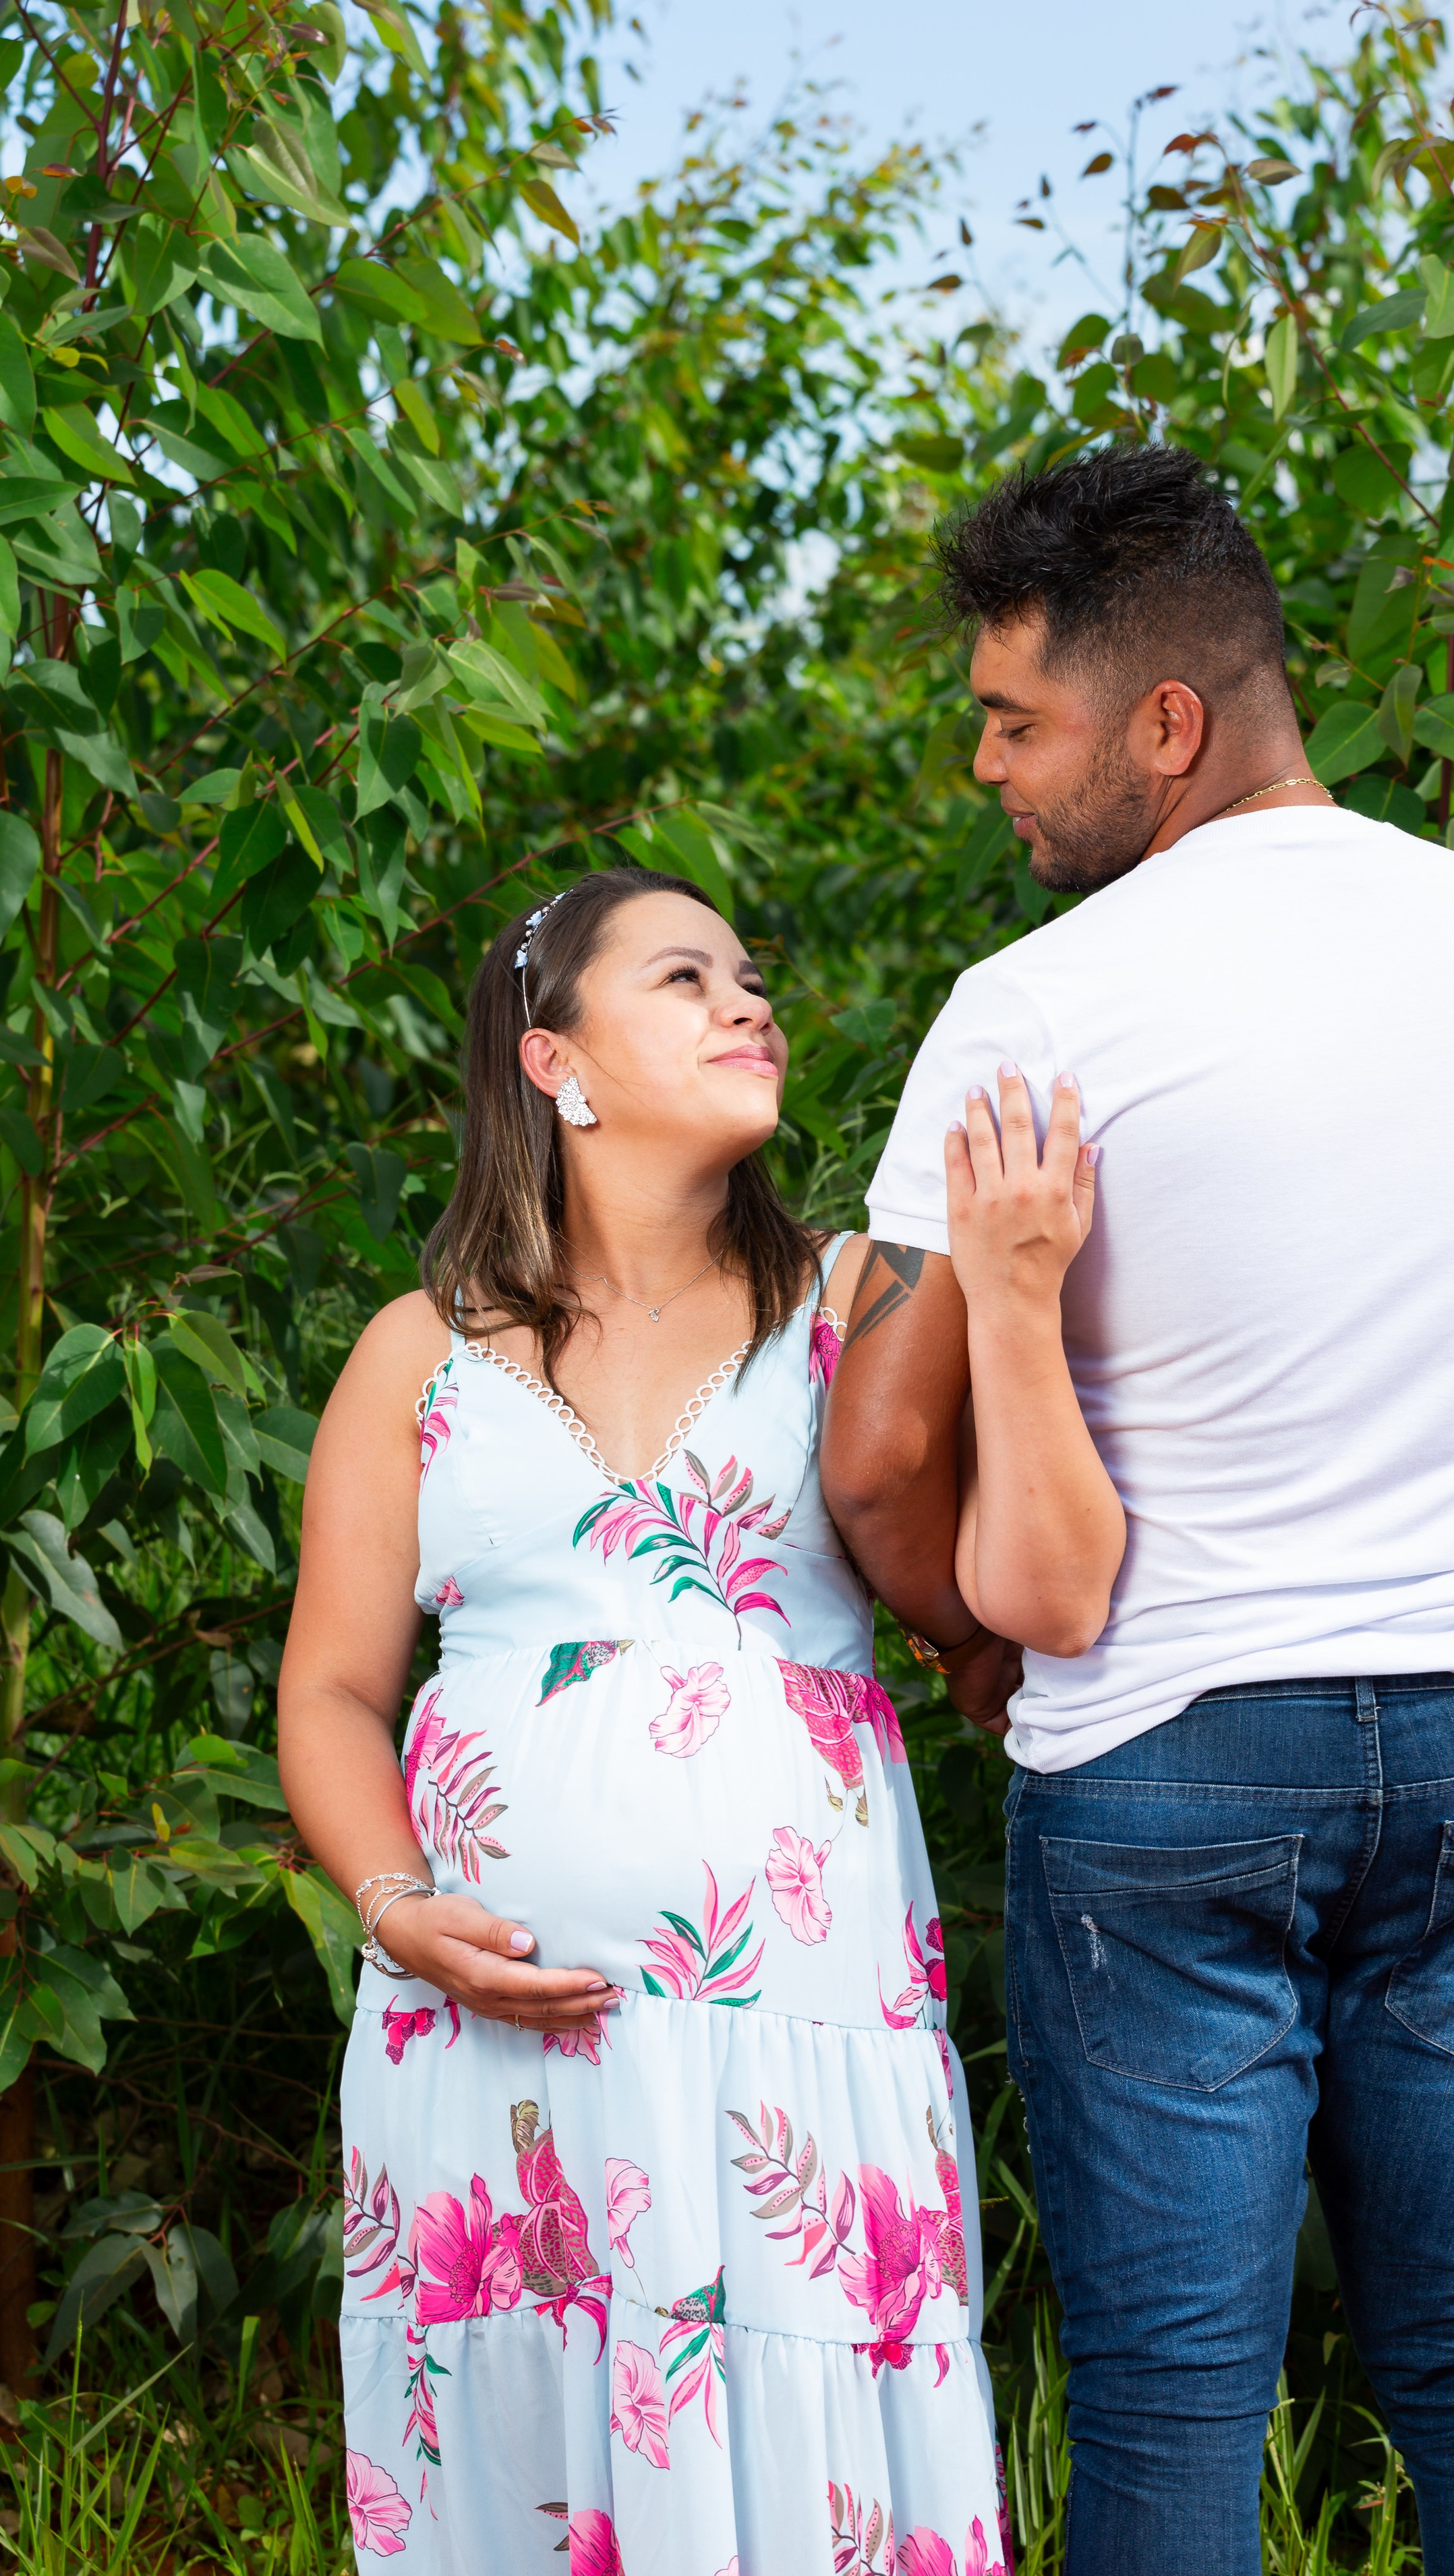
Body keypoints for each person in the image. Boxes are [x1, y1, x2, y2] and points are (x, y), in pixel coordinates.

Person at [821, 444, 1454, 2576]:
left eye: (1019, 721)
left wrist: (966, 1641)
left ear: (1165, 727)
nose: (989, 766)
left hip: (1167, 1749)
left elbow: (879, 1454)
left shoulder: (1045, 1006)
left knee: (1179, 2394)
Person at [279, 862, 1106, 2573]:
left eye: (749, 976)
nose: (748, 1003)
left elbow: (995, 1613)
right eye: (682, 980)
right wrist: (395, 1908)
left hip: (793, 2055)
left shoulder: (863, 1308)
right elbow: (336, 1689)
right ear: (554, 1063)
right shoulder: (411, 1353)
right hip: (497, 2061)